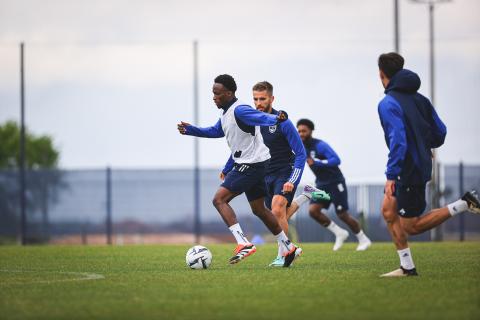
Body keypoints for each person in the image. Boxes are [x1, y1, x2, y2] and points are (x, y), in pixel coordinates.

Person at [177, 74, 301, 267]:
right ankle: (287, 246)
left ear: (228, 93)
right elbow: (216, 131)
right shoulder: (227, 113)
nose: (214, 97)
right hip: (259, 164)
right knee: (259, 209)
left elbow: (260, 117)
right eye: (213, 93)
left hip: (250, 165)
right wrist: (192, 130)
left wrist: (276, 117)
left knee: (219, 199)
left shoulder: (241, 110)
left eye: (217, 93)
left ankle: (243, 243)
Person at [376, 52, 480, 277]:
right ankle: (407, 267)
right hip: (416, 163)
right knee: (388, 210)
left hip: (407, 169)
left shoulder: (387, 103)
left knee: (410, 226)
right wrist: (426, 146)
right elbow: (440, 132)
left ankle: (463, 204)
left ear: (381, 74)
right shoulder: (421, 99)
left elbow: (398, 141)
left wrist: (391, 175)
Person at [221, 81, 330, 267]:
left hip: (284, 172)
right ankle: (306, 195)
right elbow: (243, 147)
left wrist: (292, 180)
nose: (258, 103)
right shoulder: (251, 121)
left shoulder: (283, 123)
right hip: (263, 173)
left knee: (277, 209)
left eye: (262, 99)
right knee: (279, 216)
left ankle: (285, 255)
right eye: (255, 99)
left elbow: (301, 154)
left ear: (272, 98)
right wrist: (227, 167)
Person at [296, 118, 372, 251]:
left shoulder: (320, 145)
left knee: (342, 214)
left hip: (335, 183)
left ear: (311, 131)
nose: (301, 133)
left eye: (304, 131)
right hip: (321, 185)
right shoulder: (301, 147)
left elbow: (336, 160)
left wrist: (318, 162)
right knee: (313, 211)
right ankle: (339, 233)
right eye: (299, 131)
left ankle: (363, 239)